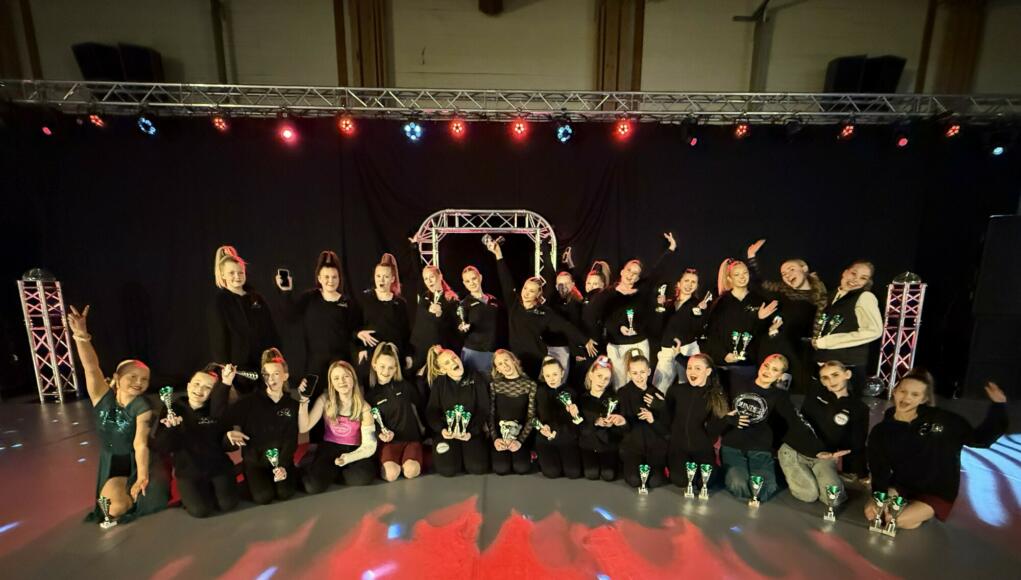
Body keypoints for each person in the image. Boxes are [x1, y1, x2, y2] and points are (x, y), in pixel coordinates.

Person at [866, 369, 1008, 529]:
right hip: (901, 485)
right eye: (903, 391)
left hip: (936, 490)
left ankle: (919, 511)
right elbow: (879, 468)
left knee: (896, 520)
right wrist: (877, 498)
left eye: (914, 394)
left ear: (924, 399)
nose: (906, 398)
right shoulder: (882, 430)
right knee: (874, 514)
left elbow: (980, 439)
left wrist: (999, 407)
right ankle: (904, 506)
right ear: (895, 391)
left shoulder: (945, 421)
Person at [68, 305, 168, 525]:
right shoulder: (101, 397)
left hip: (137, 459)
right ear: (116, 377)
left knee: (134, 504)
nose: (138, 382)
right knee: (113, 509)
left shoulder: (142, 406)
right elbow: (91, 367)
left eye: (144, 379)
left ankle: (146, 487)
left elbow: (140, 444)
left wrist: (142, 476)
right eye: (132, 377)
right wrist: (81, 336)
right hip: (113, 460)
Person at [720, 354, 835, 502]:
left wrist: (817, 449)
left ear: (780, 376)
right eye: (766, 365)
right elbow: (717, 406)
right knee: (738, 484)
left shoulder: (779, 396)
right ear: (761, 365)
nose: (767, 371)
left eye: (774, 370)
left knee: (763, 489)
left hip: (760, 449)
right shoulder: (738, 383)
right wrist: (728, 419)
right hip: (732, 446)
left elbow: (794, 421)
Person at [486, 238, 597, 378]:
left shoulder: (544, 313)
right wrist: (498, 255)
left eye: (532, 291)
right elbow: (505, 280)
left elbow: (565, 326)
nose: (526, 293)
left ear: (538, 294)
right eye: (525, 288)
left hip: (537, 360)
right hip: (517, 359)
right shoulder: (514, 304)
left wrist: (585, 340)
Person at [589, 233, 678, 389]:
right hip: (616, 346)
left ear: (638, 278)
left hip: (639, 343)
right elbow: (598, 318)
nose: (631, 275)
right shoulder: (608, 294)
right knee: (619, 385)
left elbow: (657, 271)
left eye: (635, 273)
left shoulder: (641, 290)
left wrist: (671, 249)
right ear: (622, 271)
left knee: (639, 384)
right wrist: (617, 328)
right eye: (629, 270)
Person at [152, 364, 239, 518]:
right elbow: (162, 447)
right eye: (197, 383)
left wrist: (229, 438)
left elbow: (227, 446)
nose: (200, 390)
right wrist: (171, 429)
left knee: (228, 505)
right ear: (188, 386)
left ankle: (227, 480)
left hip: (218, 467)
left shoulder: (217, 409)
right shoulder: (173, 409)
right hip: (189, 471)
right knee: (201, 511)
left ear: (214, 393)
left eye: (207, 387)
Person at [745, 239, 828, 394]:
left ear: (804, 268)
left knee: (791, 395)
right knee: (769, 392)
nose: (787, 275)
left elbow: (819, 328)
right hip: (773, 350)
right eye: (783, 274)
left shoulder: (819, 298)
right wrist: (751, 257)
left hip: (798, 356)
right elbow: (758, 283)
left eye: (791, 269)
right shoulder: (782, 290)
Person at [778, 361, 863, 507]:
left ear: (847, 374)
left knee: (834, 499)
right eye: (825, 377)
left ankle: (816, 475)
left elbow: (857, 440)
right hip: (795, 450)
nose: (831, 381)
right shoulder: (814, 391)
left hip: (825, 457)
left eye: (835, 375)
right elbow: (800, 364)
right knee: (809, 495)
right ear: (821, 381)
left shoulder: (859, 407)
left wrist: (858, 471)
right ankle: (787, 468)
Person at [223, 347, 299, 504]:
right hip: (255, 463)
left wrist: (283, 466)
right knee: (264, 497)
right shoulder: (249, 403)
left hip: (281, 461)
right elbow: (223, 417)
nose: (271, 379)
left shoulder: (292, 404)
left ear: (285, 376)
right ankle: (248, 477)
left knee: (285, 493)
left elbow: (291, 438)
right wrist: (225, 384)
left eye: (276, 374)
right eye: (267, 375)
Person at [276, 250, 361, 381]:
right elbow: (290, 315)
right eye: (326, 277)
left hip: (340, 365)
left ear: (339, 278)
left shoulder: (348, 303)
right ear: (319, 278)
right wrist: (286, 292)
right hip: (315, 365)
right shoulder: (310, 298)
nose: (330, 281)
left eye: (334, 277)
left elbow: (355, 331)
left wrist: (360, 341)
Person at [208, 245, 280, 395]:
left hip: (262, 366)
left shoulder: (256, 298)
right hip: (238, 370)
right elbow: (219, 338)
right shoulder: (220, 301)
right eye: (232, 273)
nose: (237, 276)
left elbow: (270, 330)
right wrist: (225, 370)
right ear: (223, 275)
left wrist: (275, 358)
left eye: (240, 272)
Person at [298, 360, 378, 494]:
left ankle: (331, 473)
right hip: (329, 448)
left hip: (354, 450)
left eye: (346, 376)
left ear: (353, 378)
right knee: (313, 487)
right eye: (336, 378)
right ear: (332, 383)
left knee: (364, 477)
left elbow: (369, 446)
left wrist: (347, 458)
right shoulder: (325, 400)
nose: (341, 381)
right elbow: (304, 427)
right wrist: (304, 399)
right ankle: (325, 472)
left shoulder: (364, 407)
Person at [812, 260, 882, 394]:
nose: (855, 280)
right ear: (845, 273)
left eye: (863, 278)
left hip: (847, 367)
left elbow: (874, 331)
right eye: (853, 273)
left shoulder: (865, 297)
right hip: (823, 364)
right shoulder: (831, 295)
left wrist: (827, 342)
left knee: (844, 405)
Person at [703, 259, 778, 378]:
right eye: (737, 274)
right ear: (729, 278)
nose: (742, 277)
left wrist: (763, 321)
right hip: (724, 365)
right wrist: (723, 355)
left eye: (745, 273)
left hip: (750, 365)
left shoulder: (759, 300)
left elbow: (764, 334)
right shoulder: (721, 303)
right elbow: (711, 334)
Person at [665, 354, 731, 489]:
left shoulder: (715, 395)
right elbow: (666, 418)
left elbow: (713, 431)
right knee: (682, 481)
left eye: (697, 368)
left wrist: (725, 419)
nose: (692, 372)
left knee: (704, 483)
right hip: (678, 449)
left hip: (702, 450)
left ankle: (713, 468)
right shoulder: (676, 390)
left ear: (708, 371)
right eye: (689, 368)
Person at [425, 347, 491, 476]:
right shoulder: (439, 383)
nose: (454, 362)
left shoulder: (476, 377)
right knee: (447, 470)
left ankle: (466, 454)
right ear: (443, 370)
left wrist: (472, 432)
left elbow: (483, 408)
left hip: (471, 432)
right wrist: (442, 430)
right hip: (447, 433)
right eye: (447, 362)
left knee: (478, 468)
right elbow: (432, 411)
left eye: (454, 357)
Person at [364, 343, 425, 482]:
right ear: (374, 365)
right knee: (391, 474)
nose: (386, 371)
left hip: (411, 440)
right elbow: (371, 423)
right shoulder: (370, 396)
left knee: (410, 471)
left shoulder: (405, 386)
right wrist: (380, 434)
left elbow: (420, 408)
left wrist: (426, 433)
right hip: (389, 443)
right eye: (382, 366)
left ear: (396, 368)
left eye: (391, 367)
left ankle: (417, 458)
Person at [617, 349, 671, 489]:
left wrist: (653, 418)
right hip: (633, 447)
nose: (639, 377)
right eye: (635, 373)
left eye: (642, 372)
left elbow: (665, 430)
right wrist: (622, 422)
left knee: (655, 481)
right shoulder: (623, 393)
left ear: (648, 371)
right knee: (635, 480)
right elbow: (623, 429)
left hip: (654, 448)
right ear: (629, 373)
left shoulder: (657, 395)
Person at [654, 268, 711, 393]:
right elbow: (657, 328)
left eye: (693, 282)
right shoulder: (668, 304)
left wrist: (700, 313)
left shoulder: (698, 305)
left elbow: (698, 331)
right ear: (679, 283)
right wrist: (660, 307)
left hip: (687, 350)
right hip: (667, 349)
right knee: (658, 387)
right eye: (686, 280)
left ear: (696, 286)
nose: (689, 285)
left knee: (688, 386)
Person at [357, 253, 412, 369]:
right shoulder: (365, 298)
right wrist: (360, 346)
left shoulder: (400, 303)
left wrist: (408, 355)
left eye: (386, 276)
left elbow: (406, 332)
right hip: (371, 355)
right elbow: (355, 325)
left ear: (392, 279)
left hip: (394, 356)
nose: (381, 280)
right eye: (378, 276)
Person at [489, 349, 538, 475]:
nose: (504, 365)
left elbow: (531, 417)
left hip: (521, 434)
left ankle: (530, 453)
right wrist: (495, 439)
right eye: (500, 364)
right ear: (498, 369)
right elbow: (491, 415)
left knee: (522, 468)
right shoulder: (494, 385)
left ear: (514, 361)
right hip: (501, 436)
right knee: (501, 468)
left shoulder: (530, 385)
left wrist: (520, 441)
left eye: (506, 360)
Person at [577, 356, 626, 481]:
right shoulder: (581, 399)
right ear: (591, 375)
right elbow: (579, 427)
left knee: (608, 475)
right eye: (599, 376)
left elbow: (621, 430)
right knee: (591, 474)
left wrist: (614, 424)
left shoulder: (614, 399)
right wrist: (595, 423)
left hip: (608, 445)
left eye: (606, 379)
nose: (602, 381)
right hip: (588, 444)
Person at [534, 356, 583, 479]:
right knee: (552, 472)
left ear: (562, 373)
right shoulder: (539, 392)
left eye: (555, 374)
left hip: (567, 438)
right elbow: (532, 417)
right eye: (547, 375)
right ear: (543, 376)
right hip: (546, 439)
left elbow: (579, 422)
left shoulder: (572, 392)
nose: (551, 379)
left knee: (573, 473)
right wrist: (540, 428)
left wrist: (576, 415)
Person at [410, 265, 460, 372]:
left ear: (440, 276)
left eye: (431, 277)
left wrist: (440, 315)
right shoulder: (424, 298)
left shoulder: (451, 299)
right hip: (419, 351)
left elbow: (454, 327)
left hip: (439, 352)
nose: (429, 281)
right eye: (426, 279)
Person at [458, 265, 500, 375]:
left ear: (480, 277)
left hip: (495, 353)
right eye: (467, 281)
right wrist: (462, 329)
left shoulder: (493, 300)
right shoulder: (464, 304)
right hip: (474, 353)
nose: (471, 283)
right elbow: (460, 328)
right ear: (464, 284)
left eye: (474, 278)